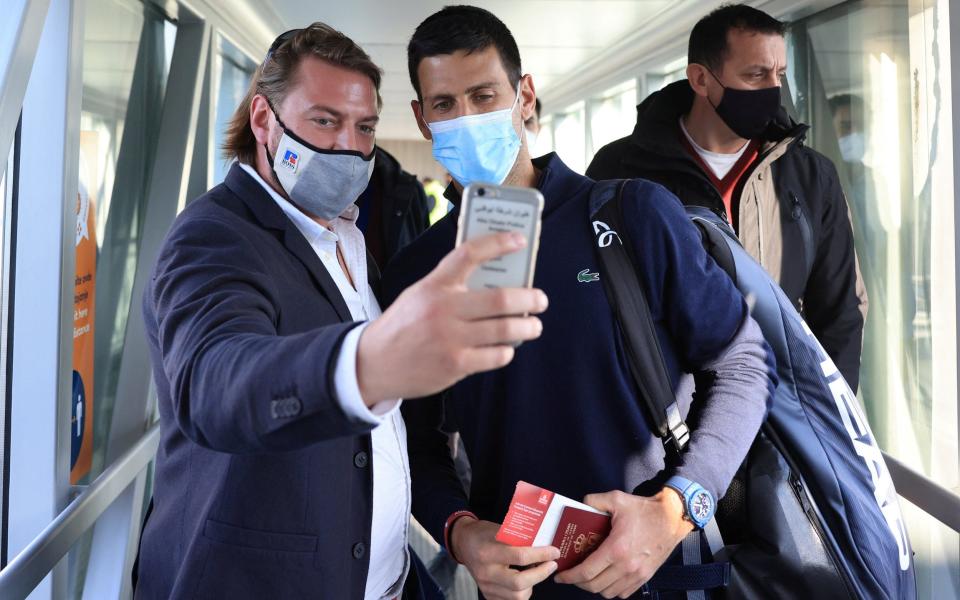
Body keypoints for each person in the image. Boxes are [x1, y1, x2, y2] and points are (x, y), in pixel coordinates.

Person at [135, 22, 548, 600]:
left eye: (365, 127)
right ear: (263, 120)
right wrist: (368, 363)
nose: (348, 146)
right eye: (325, 121)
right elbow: (215, 381)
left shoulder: (347, 238)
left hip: (384, 579)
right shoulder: (214, 236)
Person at [383, 6, 776, 599]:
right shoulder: (418, 270)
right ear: (421, 118)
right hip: (518, 586)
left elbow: (744, 365)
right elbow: (412, 438)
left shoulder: (632, 214)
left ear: (525, 97)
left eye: (485, 95)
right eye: (445, 105)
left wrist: (679, 508)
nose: (466, 119)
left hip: (657, 573)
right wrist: (460, 533)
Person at [587, 3, 867, 392]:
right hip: (666, 414)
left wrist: (832, 417)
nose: (772, 88)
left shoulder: (811, 175)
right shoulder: (620, 168)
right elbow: (595, 291)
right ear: (701, 79)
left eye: (779, 74)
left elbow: (841, 312)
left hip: (784, 411)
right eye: (755, 74)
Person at [355, 145, 430, 268]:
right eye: (325, 124)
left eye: (365, 127)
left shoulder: (408, 189)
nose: (347, 139)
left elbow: (423, 256)